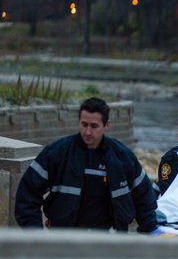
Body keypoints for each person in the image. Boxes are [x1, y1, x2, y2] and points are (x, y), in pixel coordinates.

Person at [15, 97, 157, 232]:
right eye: (84, 125)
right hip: (64, 240)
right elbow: (27, 194)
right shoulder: (57, 153)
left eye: (94, 126)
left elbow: (144, 197)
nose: (88, 132)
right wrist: (34, 234)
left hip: (110, 240)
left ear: (106, 125)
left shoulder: (122, 157)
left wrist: (150, 231)